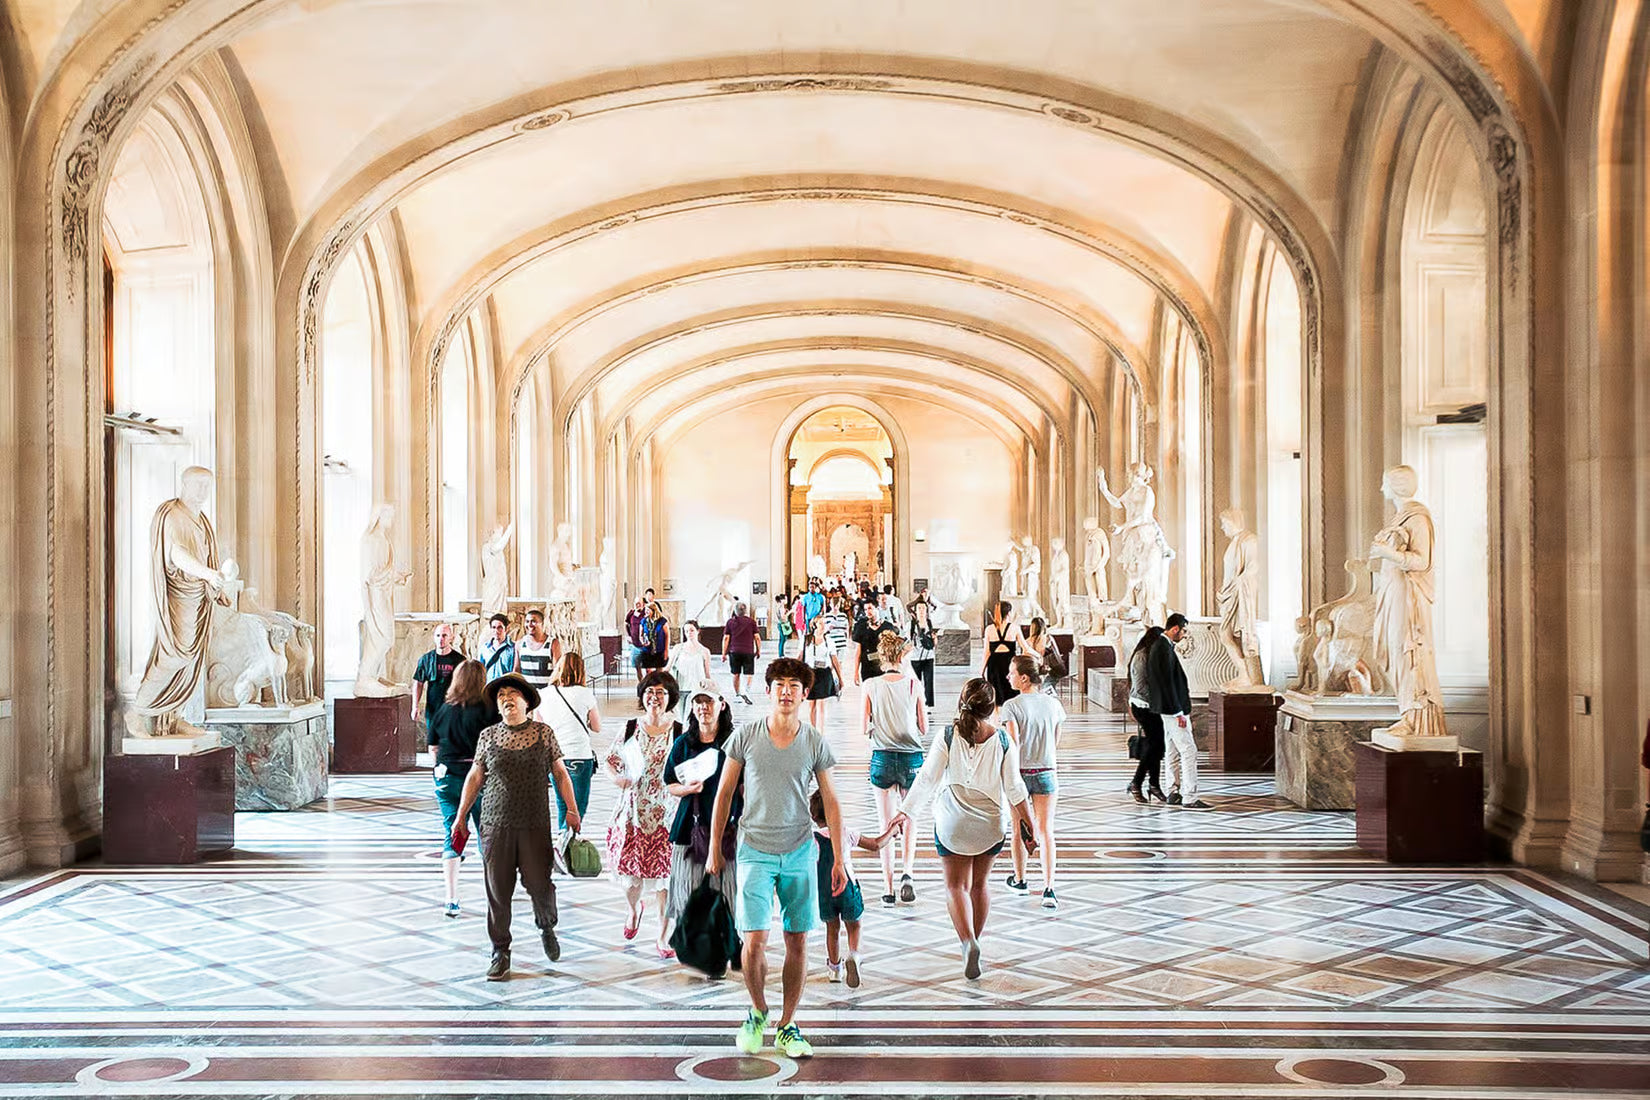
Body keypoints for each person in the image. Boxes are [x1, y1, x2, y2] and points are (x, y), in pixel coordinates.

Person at [706, 658, 848, 1059]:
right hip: (754, 850)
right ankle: (757, 1010)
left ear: (805, 694)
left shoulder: (814, 741)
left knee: (797, 939)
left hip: (800, 849)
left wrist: (839, 858)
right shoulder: (746, 737)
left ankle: (788, 1023)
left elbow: (832, 802)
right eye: (779, 684)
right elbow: (724, 793)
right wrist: (716, 847)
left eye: (794, 686)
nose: (786, 691)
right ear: (768, 691)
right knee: (753, 940)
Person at [889, 678, 1040, 980]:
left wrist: (904, 812)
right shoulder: (1002, 741)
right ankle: (976, 940)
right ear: (992, 709)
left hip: (952, 822)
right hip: (990, 824)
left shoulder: (947, 735)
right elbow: (1015, 789)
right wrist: (1030, 826)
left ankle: (967, 941)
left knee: (955, 886)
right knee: (980, 885)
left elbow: (927, 779)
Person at [450, 673, 584, 980]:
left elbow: (561, 774)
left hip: (535, 823)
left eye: (512, 694)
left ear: (526, 701)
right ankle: (501, 950)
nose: (506, 699)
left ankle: (546, 925)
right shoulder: (488, 736)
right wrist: (461, 815)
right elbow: (475, 776)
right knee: (498, 889)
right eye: (501, 696)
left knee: (540, 884)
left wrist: (572, 810)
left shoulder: (543, 733)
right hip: (495, 825)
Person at [605, 670, 681, 957]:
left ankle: (663, 936)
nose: (655, 697)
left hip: (666, 813)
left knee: (665, 878)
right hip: (632, 812)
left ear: (670, 697)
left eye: (661, 692)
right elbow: (611, 761)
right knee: (630, 876)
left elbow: (688, 766)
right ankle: (634, 908)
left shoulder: (680, 730)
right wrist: (618, 780)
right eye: (650, 692)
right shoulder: (630, 727)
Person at [663, 679, 742, 934]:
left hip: (728, 827)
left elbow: (745, 786)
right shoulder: (683, 743)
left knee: (725, 890)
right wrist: (688, 789)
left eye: (708, 701)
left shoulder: (733, 743)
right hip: (690, 825)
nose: (703, 707)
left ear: (721, 704)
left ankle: (720, 945)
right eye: (698, 702)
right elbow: (671, 783)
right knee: (689, 889)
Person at [861, 631, 927, 907]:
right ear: (902, 656)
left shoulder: (870, 685)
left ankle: (887, 888)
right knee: (909, 819)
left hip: (882, 758)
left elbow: (864, 727)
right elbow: (923, 727)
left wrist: (880, 726)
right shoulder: (913, 684)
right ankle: (907, 873)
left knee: (886, 823)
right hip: (912, 758)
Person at [426, 659, 497, 917]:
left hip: (447, 777)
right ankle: (493, 895)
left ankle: (451, 898)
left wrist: (442, 771)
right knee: (486, 834)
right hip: (479, 779)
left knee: (452, 833)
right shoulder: (489, 710)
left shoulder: (444, 710)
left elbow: (433, 746)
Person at [808, 789, 897, 987]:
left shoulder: (811, 838)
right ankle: (854, 956)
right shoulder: (846, 833)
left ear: (813, 816)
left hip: (824, 891)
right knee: (854, 925)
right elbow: (875, 845)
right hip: (847, 887)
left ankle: (834, 968)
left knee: (832, 929)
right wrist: (891, 831)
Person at [999, 656, 1067, 909]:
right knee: (1046, 830)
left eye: (1011, 672)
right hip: (1047, 770)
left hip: (1020, 773)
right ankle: (1049, 888)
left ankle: (1020, 879)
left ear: (1024, 678)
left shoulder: (1011, 706)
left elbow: (1013, 743)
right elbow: (1055, 739)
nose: (1008, 677)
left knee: (1019, 829)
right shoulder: (1053, 704)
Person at [1151, 613, 1209, 809]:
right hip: (1172, 709)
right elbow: (1167, 683)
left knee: (1173, 750)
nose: (1184, 635)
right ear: (1175, 628)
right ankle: (1190, 796)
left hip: (1166, 709)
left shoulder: (1162, 646)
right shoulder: (1163, 648)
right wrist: (1178, 713)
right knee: (1189, 750)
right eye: (1183, 631)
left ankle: (1172, 792)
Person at [542, 651, 601, 833]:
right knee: (577, 808)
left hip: (555, 757)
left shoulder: (544, 694)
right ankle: (566, 848)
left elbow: (540, 728)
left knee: (562, 806)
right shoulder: (585, 694)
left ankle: (562, 848)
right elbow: (597, 727)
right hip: (580, 756)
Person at [1126, 626, 1169, 804]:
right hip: (1144, 706)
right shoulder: (1142, 656)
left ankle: (1153, 784)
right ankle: (1139, 782)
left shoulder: (1150, 654)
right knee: (1155, 745)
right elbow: (1141, 687)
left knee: (1157, 747)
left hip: (1151, 706)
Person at [413, 624, 464, 730]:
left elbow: (466, 685)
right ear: (434, 638)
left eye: (444, 635)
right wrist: (415, 706)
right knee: (433, 744)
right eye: (438, 635)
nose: (441, 639)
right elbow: (418, 683)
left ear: (451, 637)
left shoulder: (460, 660)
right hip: (433, 709)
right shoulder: (426, 659)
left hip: (453, 709)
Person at [801, 615, 843, 730]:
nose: (823, 626)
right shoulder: (806, 639)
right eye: (820, 623)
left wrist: (840, 678)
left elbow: (834, 660)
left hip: (824, 673)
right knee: (812, 704)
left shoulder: (829, 641)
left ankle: (821, 731)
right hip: (810, 673)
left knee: (821, 703)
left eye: (824, 623)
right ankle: (813, 729)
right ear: (814, 625)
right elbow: (800, 656)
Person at [668, 620, 715, 719]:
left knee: (690, 717)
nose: (689, 633)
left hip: (696, 688)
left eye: (691, 630)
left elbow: (707, 672)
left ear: (698, 631)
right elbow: (668, 667)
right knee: (680, 717)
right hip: (680, 687)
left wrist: (710, 688)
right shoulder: (678, 648)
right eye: (686, 631)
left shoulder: (704, 651)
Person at [981, 601, 1021, 705]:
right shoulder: (1015, 628)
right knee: (1012, 694)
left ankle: (995, 720)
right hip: (1010, 664)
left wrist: (982, 670)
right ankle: (1010, 719)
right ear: (1009, 613)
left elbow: (987, 652)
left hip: (994, 665)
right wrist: (1036, 655)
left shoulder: (989, 629)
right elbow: (1025, 648)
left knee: (996, 697)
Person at [849, 603, 898, 686]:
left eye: (870, 608)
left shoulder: (887, 626)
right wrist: (855, 672)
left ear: (877, 608)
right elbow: (858, 651)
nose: (868, 612)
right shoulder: (862, 627)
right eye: (865, 609)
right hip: (867, 668)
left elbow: (894, 648)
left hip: (884, 667)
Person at [723, 601, 761, 703]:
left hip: (734, 651)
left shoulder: (730, 622)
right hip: (748, 651)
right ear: (746, 611)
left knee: (736, 673)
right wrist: (758, 650)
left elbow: (726, 638)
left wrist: (723, 653)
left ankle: (737, 692)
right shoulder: (751, 622)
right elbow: (757, 638)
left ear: (735, 611)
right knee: (749, 673)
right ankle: (746, 690)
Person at [516, 608, 557, 700]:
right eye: (527, 621)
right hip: (527, 696)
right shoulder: (520, 644)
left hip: (547, 697)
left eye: (533, 621)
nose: (529, 625)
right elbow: (517, 670)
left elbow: (557, 672)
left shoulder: (553, 644)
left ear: (542, 624)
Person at [907, 600, 937, 708]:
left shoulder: (930, 623)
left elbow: (934, 642)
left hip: (929, 656)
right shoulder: (910, 625)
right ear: (915, 611)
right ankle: (916, 702)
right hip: (915, 657)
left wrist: (934, 639)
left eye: (923, 608)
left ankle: (928, 703)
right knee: (916, 682)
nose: (921, 611)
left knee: (929, 681)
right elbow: (906, 641)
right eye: (919, 608)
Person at [478, 613, 517, 682]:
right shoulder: (484, 648)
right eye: (494, 627)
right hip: (488, 687)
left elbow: (515, 672)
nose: (496, 631)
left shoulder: (513, 648)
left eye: (500, 627)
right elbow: (480, 671)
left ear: (506, 629)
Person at [636, 601, 670, 675]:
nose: (646, 612)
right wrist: (643, 642)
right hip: (647, 650)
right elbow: (640, 635)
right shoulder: (644, 621)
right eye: (645, 610)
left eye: (648, 610)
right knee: (649, 671)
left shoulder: (662, 621)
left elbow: (667, 636)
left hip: (659, 649)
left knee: (659, 671)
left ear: (653, 610)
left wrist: (666, 650)